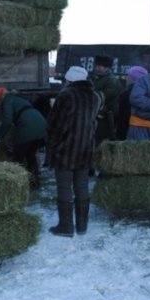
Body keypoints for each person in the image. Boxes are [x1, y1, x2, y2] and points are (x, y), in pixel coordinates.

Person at [46, 66, 100, 237]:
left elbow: (55, 125)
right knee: (82, 186)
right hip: (85, 148)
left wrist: (51, 147)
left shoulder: (65, 95)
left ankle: (66, 226)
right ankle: (82, 226)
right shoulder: (95, 97)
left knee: (64, 186)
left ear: (69, 80)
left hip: (65, 150)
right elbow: (93, 123)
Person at [0, 86, 47, 188]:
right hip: (41, 123)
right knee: (30, 155)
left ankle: (16, 186)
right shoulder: (16, 98)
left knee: (18, 158)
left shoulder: (6, 101)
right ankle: (35, 183)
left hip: (28, 126)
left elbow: (7, 120)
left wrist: (0, 136)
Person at [89, 55, 122, 145]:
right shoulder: (95, 78)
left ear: (107, 68)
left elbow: (106, 96)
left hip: (106, 116)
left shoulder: (112, 80)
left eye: (100, 66)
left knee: (102, 141)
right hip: (95, 114)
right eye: (97, 65)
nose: (97, 68)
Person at [116, 65, 148, 140]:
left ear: (133, 78)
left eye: (128, 76)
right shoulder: (148, 94)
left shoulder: (126, 95)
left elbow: (122, 118)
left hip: (127, 133)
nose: (126, 78)